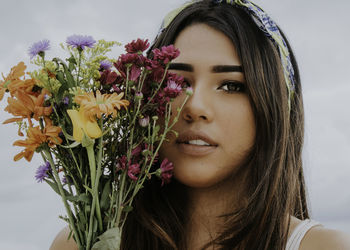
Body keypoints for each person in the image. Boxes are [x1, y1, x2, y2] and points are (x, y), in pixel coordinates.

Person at [51, 0, 350, 249]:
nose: (195, 107)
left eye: (231, 86)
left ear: (275, 108)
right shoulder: (81, 243)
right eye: (177, 81)